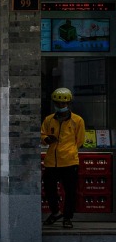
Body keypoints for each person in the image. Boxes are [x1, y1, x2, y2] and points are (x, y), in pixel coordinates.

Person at [43, 87, 86, 229]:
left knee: (70, 191)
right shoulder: (49, 120)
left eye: (64, 104)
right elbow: (42, 135)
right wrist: (47, 139)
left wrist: (69, 151)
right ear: (55, 103)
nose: (61, 106)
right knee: (49, 189)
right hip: (51, 161)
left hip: (69, 161)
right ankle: (55, 212)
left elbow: (79, 140)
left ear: (68, 103)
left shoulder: (77, 120)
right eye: (59, 104)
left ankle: (67, 217)